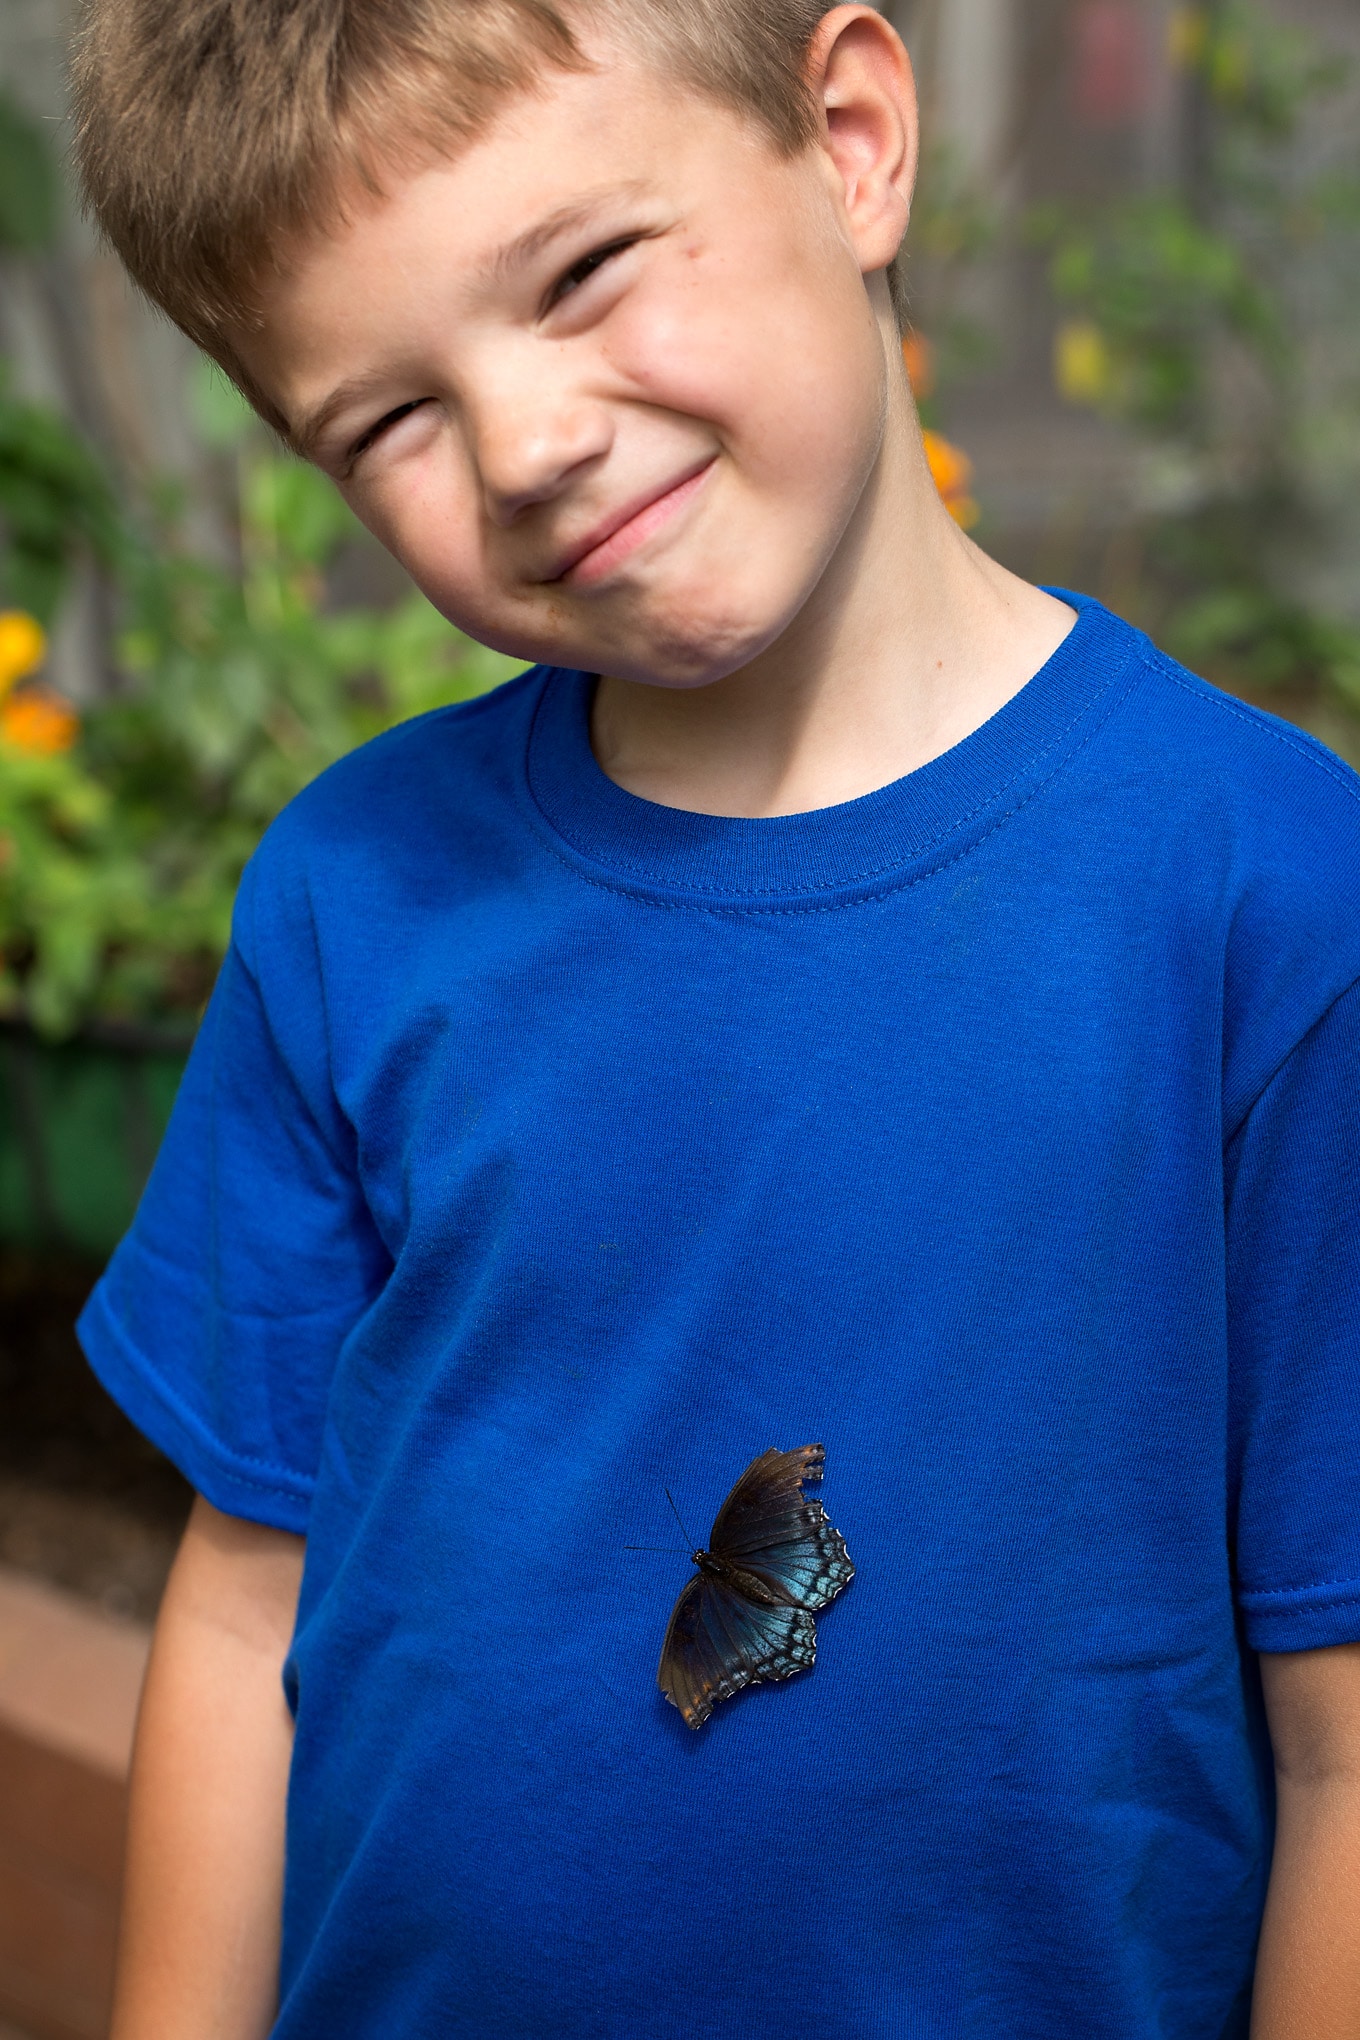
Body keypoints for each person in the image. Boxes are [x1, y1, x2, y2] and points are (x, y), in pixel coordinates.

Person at [71, 1, 1360, 2033]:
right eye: (388, 421)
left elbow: (1341, 1740)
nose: (522, 448)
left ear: (848, 140)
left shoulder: (1267, 898)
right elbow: (249, 1612)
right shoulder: (351, 895)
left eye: (584, 269)